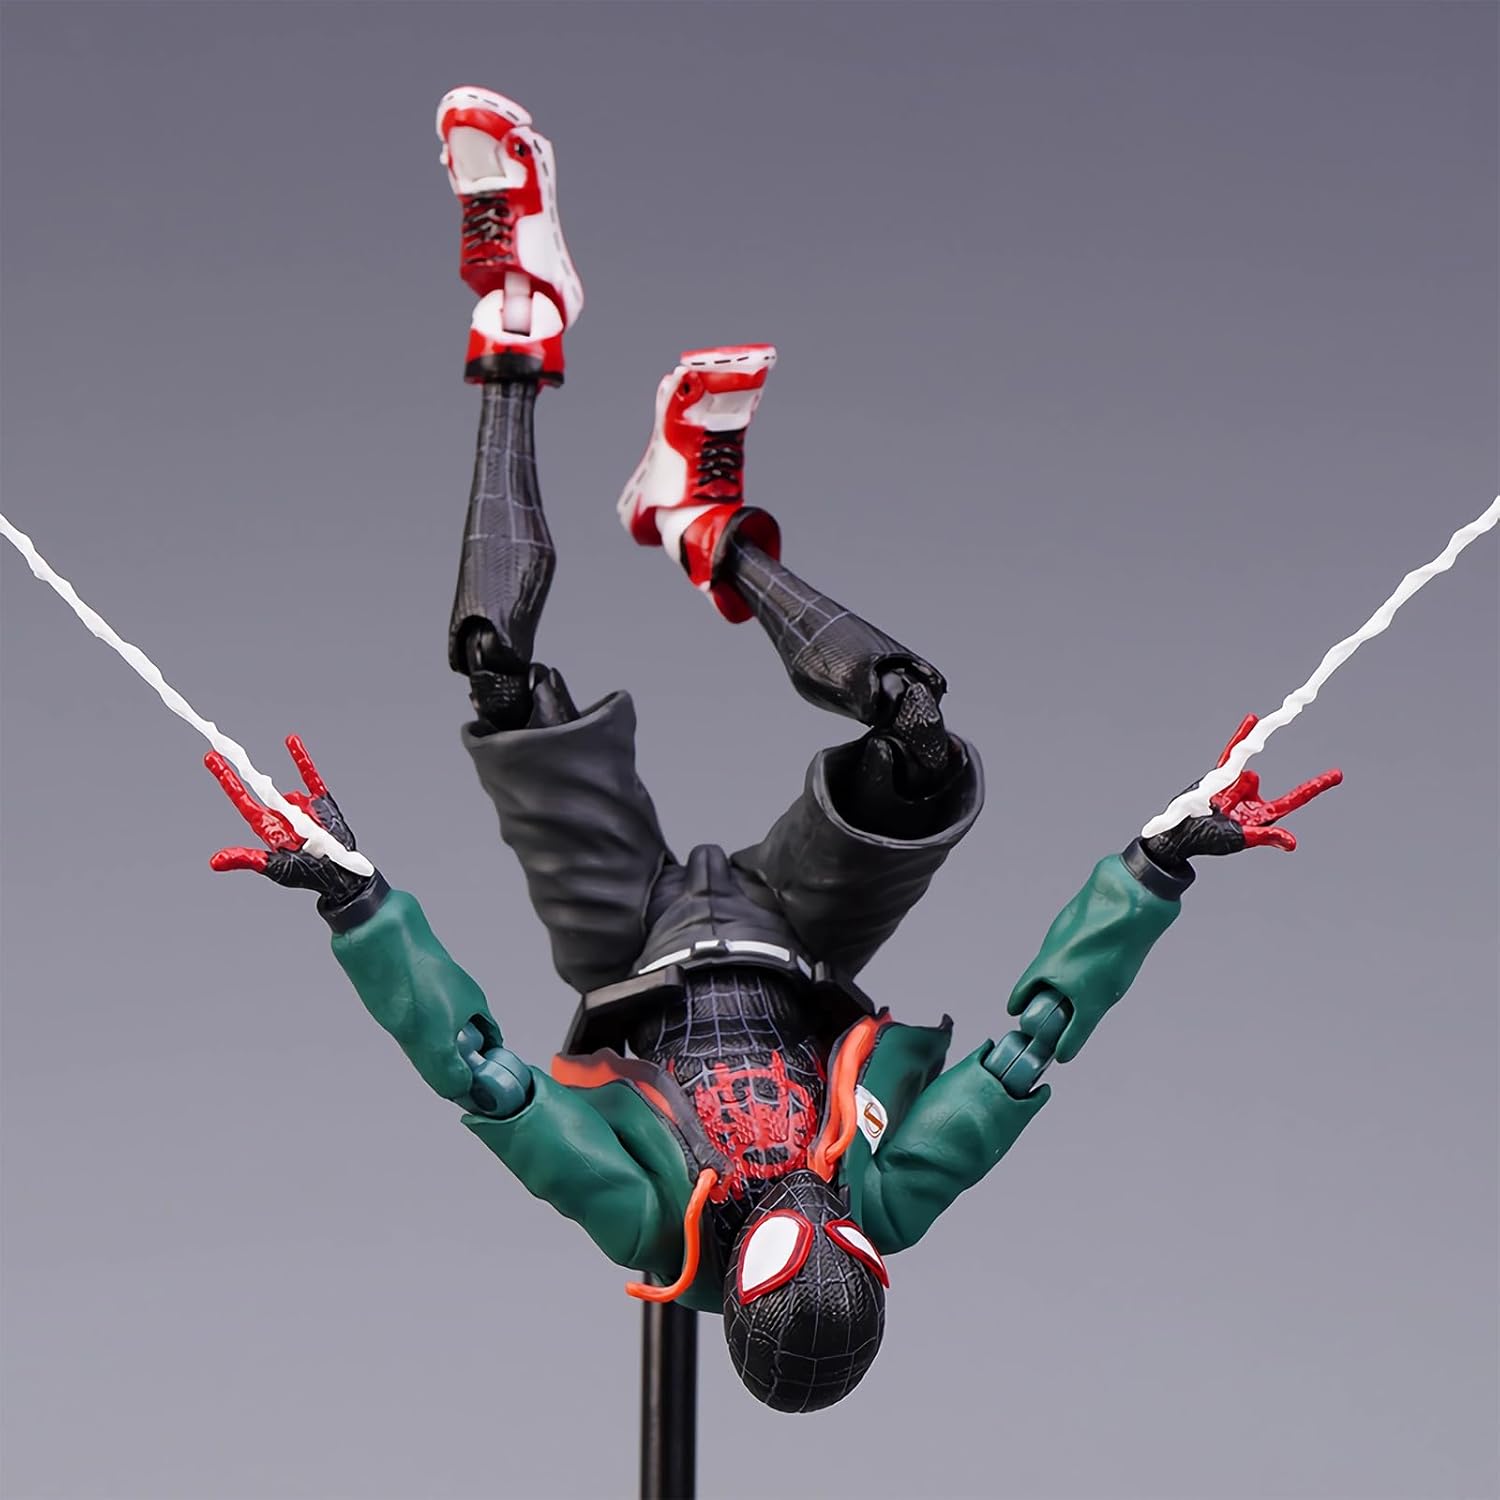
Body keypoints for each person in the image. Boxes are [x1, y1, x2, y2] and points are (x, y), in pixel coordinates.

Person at [203, 87, 1341, 1414]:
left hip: (631, 945)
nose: (814, 1213)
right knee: (918, 741)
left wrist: (356, 902)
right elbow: (1037, 1040)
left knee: (497, 674)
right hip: (799, 938)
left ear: (744, 1283)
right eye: (842, 1238)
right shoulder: (884, 1199)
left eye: (785, 1248)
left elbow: (481, 1075)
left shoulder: (647, 1221)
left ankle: (517, 321)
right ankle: (704, 524)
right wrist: (1155, 866)